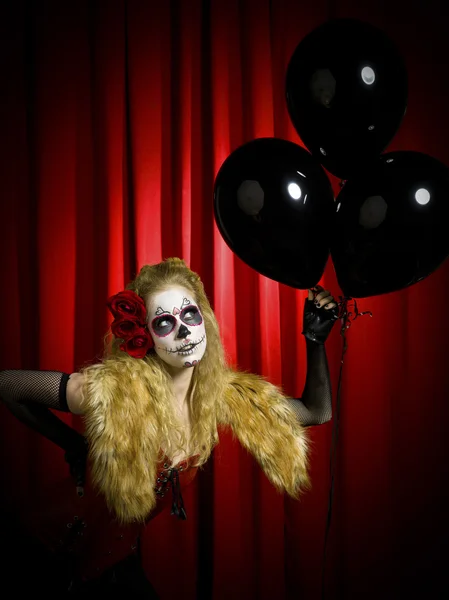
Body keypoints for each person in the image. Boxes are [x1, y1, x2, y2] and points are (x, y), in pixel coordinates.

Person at [0, 257, 338, 597]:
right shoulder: (113, 392)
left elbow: (316, 411)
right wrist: (73, 444)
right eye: (164, 322)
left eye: (190, 315)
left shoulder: (218, 397)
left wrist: (315, 340)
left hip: (113, 563)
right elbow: (8, 385)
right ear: (144, 335)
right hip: (43, 552)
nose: (184, 331)